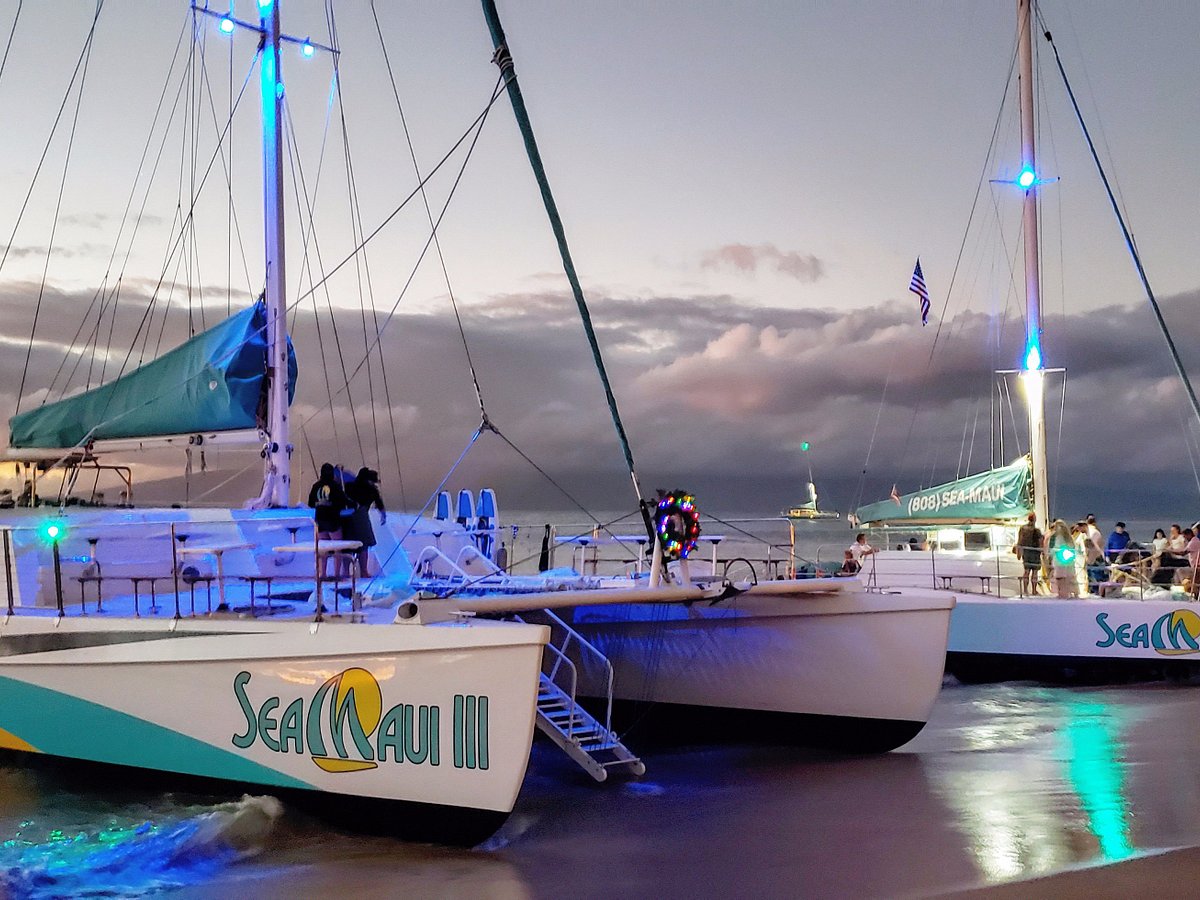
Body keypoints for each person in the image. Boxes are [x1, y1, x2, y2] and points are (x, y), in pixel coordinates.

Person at [307, 463, 350, 579]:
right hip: (333, 520)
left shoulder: (316, 486)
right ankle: (336, 574)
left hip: (320, 521)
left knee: (323, 549)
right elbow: (343, 501)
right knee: (337, 547)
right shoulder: (335, 486)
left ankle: (322, 574)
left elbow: (310, 503)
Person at [343, 467, 386, 577]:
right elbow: (379, 504)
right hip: (362, 516)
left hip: (347, 517)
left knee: (347, 547)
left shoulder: (349, 486)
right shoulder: (371, 489)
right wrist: (383, 515)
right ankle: (363, 571)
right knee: (363, 546)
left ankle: (346, 572)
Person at [1045, 519, 1077, 599]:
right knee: (1067, 581)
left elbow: (1056, 549)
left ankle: (1062, 596)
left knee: (1060, 581)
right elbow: (1072, 549)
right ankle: (1067, 595)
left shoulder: (1058, 537)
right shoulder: (1069, 538)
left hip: (1059, 562)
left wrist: (1050, 553)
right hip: (1068, 563)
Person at [1014, 512, 1043, 597]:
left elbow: (1019, 541)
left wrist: (1018, 552)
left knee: (1026, 572)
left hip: (1026, 552)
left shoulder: (1022, 528)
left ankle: (1025, 590)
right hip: (1035, 553)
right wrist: (1042, 551)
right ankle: (1034, 590)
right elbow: (1040, 542)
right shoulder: (1037, 530)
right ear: (1034, 519)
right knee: (1035, 573)